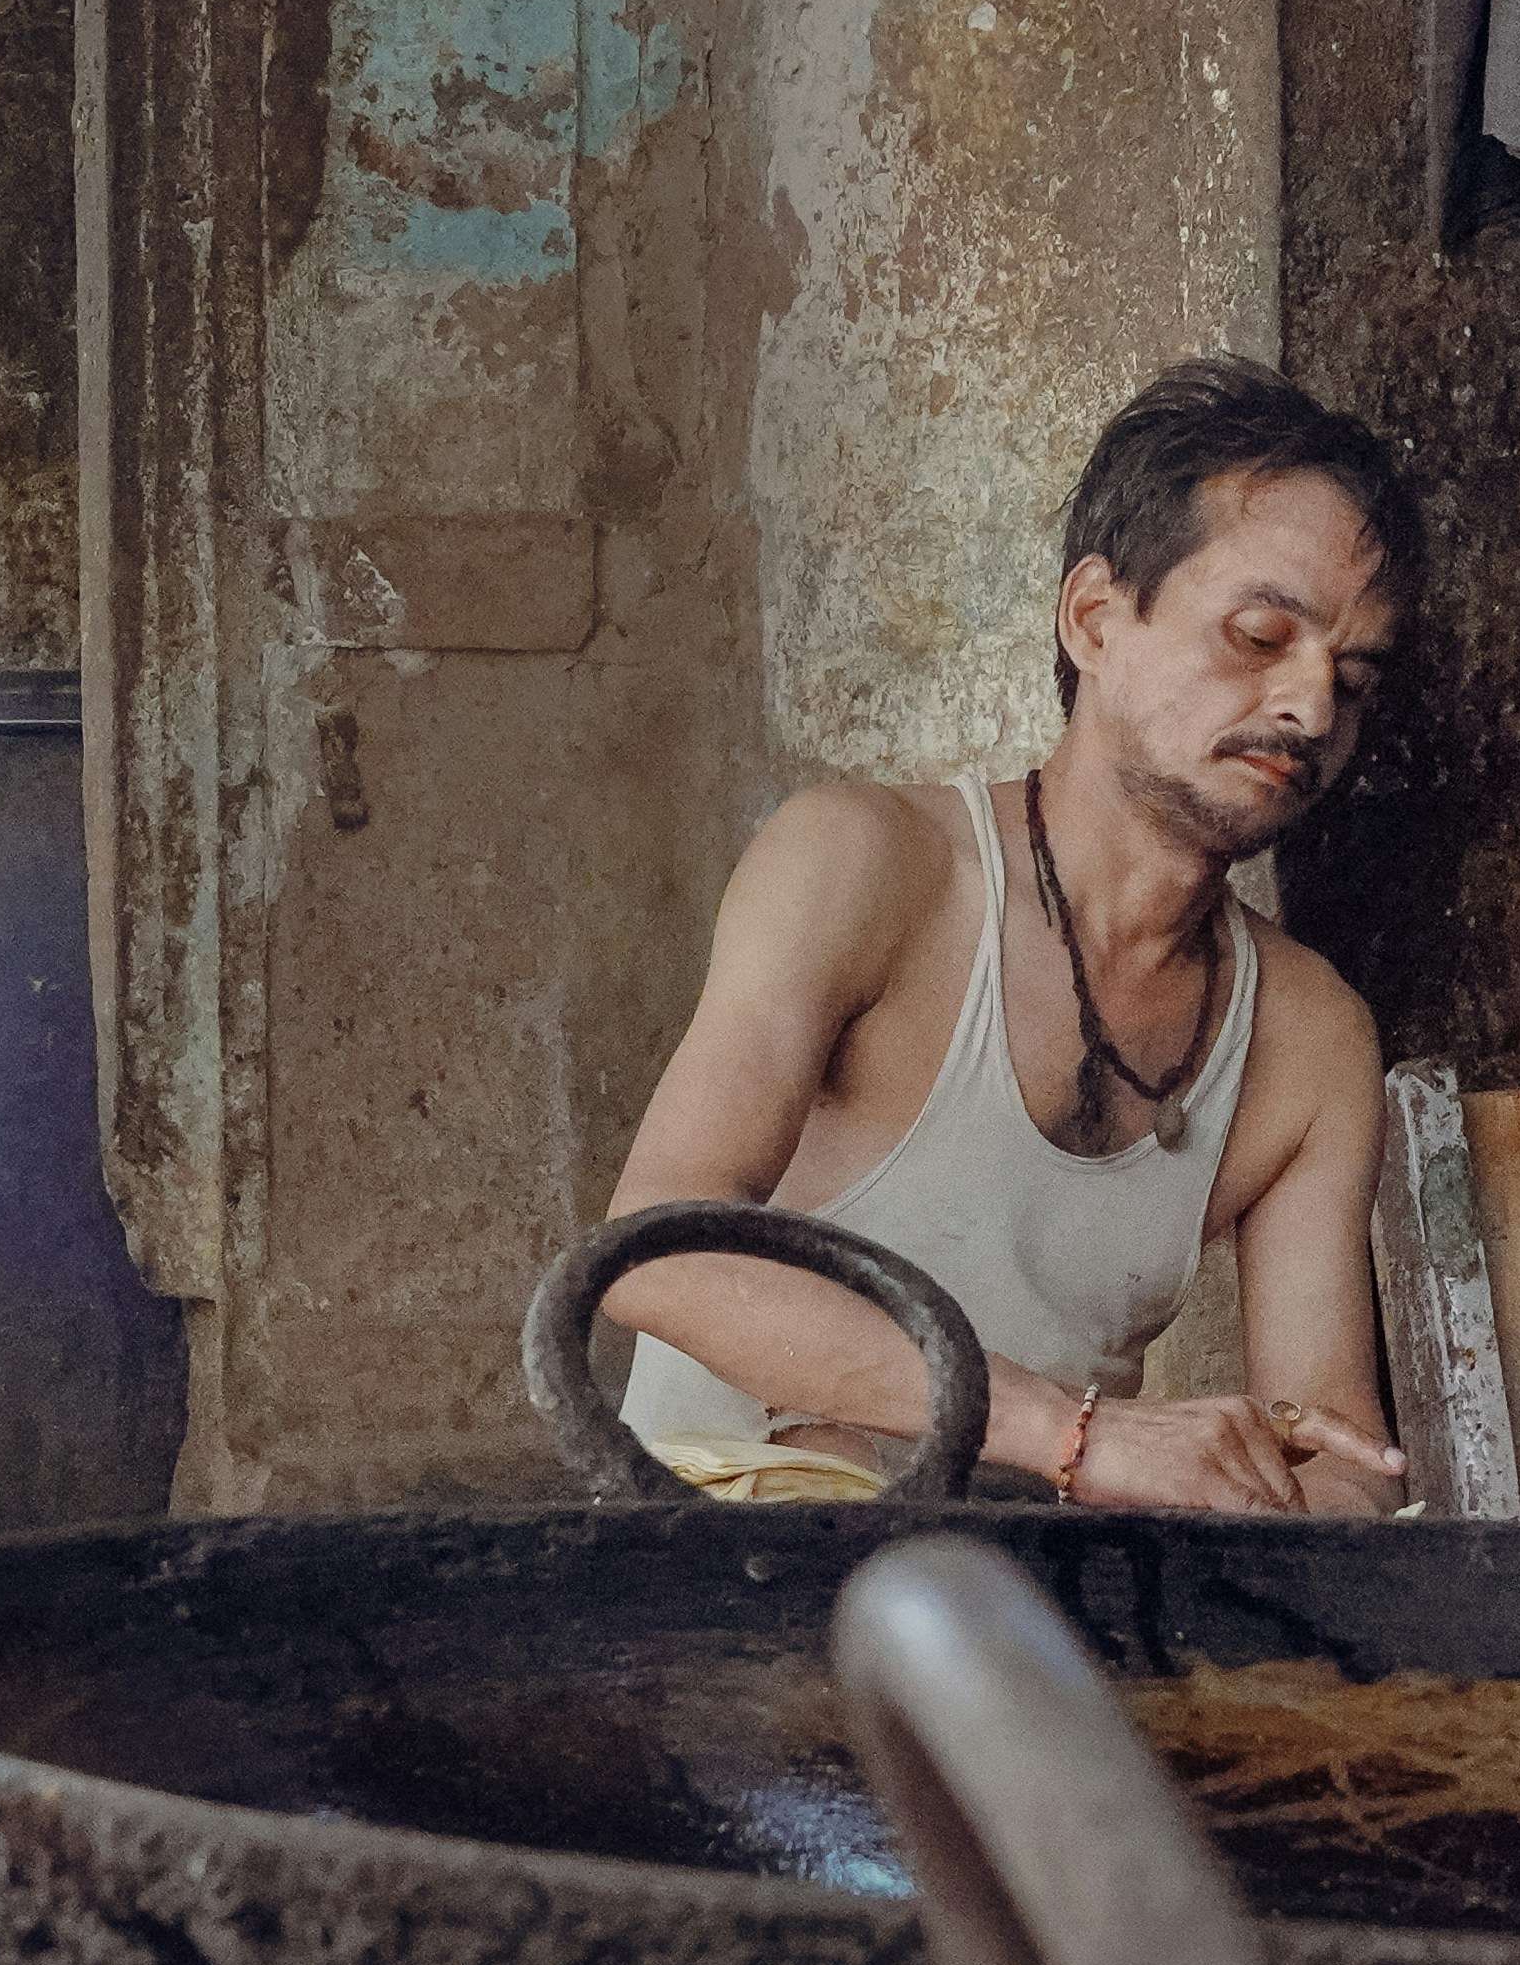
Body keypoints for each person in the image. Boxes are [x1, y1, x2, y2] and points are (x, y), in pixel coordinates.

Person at [597, 363, 1418, 1513]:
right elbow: (657, 1251)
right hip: (719, 1563)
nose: (1311, 707)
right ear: (1093, 618)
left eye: (1355, 676)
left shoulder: (1311, 1035)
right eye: (1257, 635)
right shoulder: (866, 865)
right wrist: (1076, 1438)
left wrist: (1268, 1484)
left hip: (1035, 1599)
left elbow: (1344, 1461)